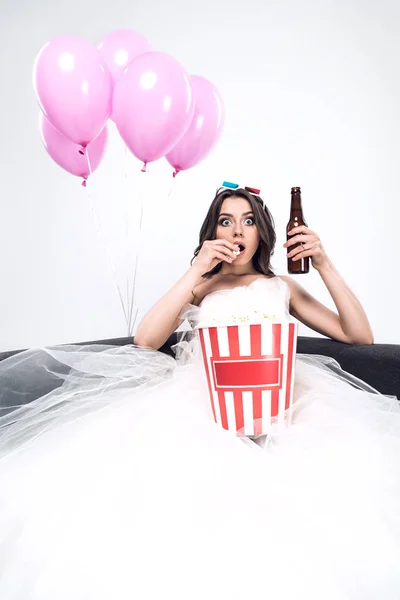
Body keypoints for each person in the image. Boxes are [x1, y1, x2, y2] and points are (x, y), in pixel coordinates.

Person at [0, 186, 399, 600]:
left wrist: (324, 263)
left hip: (280, 402)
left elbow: (359, 334)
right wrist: (196, 272)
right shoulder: (201, 287)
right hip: (204, 405)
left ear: (262, 232)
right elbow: (146, 340)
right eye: (226, 221)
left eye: (247, 220)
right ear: (213, 232)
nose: (237, 230)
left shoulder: (281, 286)